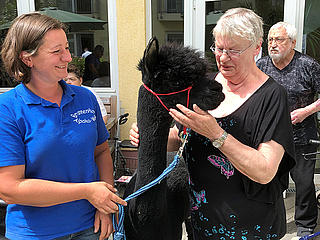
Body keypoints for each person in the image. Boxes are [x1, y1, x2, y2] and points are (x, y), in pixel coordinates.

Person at [130, 8, 295, 239]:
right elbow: (182, 137)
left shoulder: (272, 96)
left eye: (233, 50)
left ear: (257, 47)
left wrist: (217, 134)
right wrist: (148, 135)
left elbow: (265, 170)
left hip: (252, 228)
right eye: (218, 48)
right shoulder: (205, 85)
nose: (223, 57)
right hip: (201, 225)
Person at [0, 12, 126, 240]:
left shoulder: (85, 98)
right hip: (36, 233)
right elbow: (9, 189)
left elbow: (101, 151)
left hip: (91, 226)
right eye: (57, 51)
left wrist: (105, 205)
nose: (68, 58)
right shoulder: (7, 109)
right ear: (28, 59)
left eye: (67, 48)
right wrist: (88, 191)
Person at [257, 22, 320, 238]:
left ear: (292, 43)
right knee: (271, 183)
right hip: (271, 137)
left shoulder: (308, 65)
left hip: (302, 137)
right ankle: (273, 223)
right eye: (270, 40)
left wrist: (305, 111)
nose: (273, 44)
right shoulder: (261, 66)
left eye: (279, 40)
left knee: (303, 184)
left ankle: (305, 225)